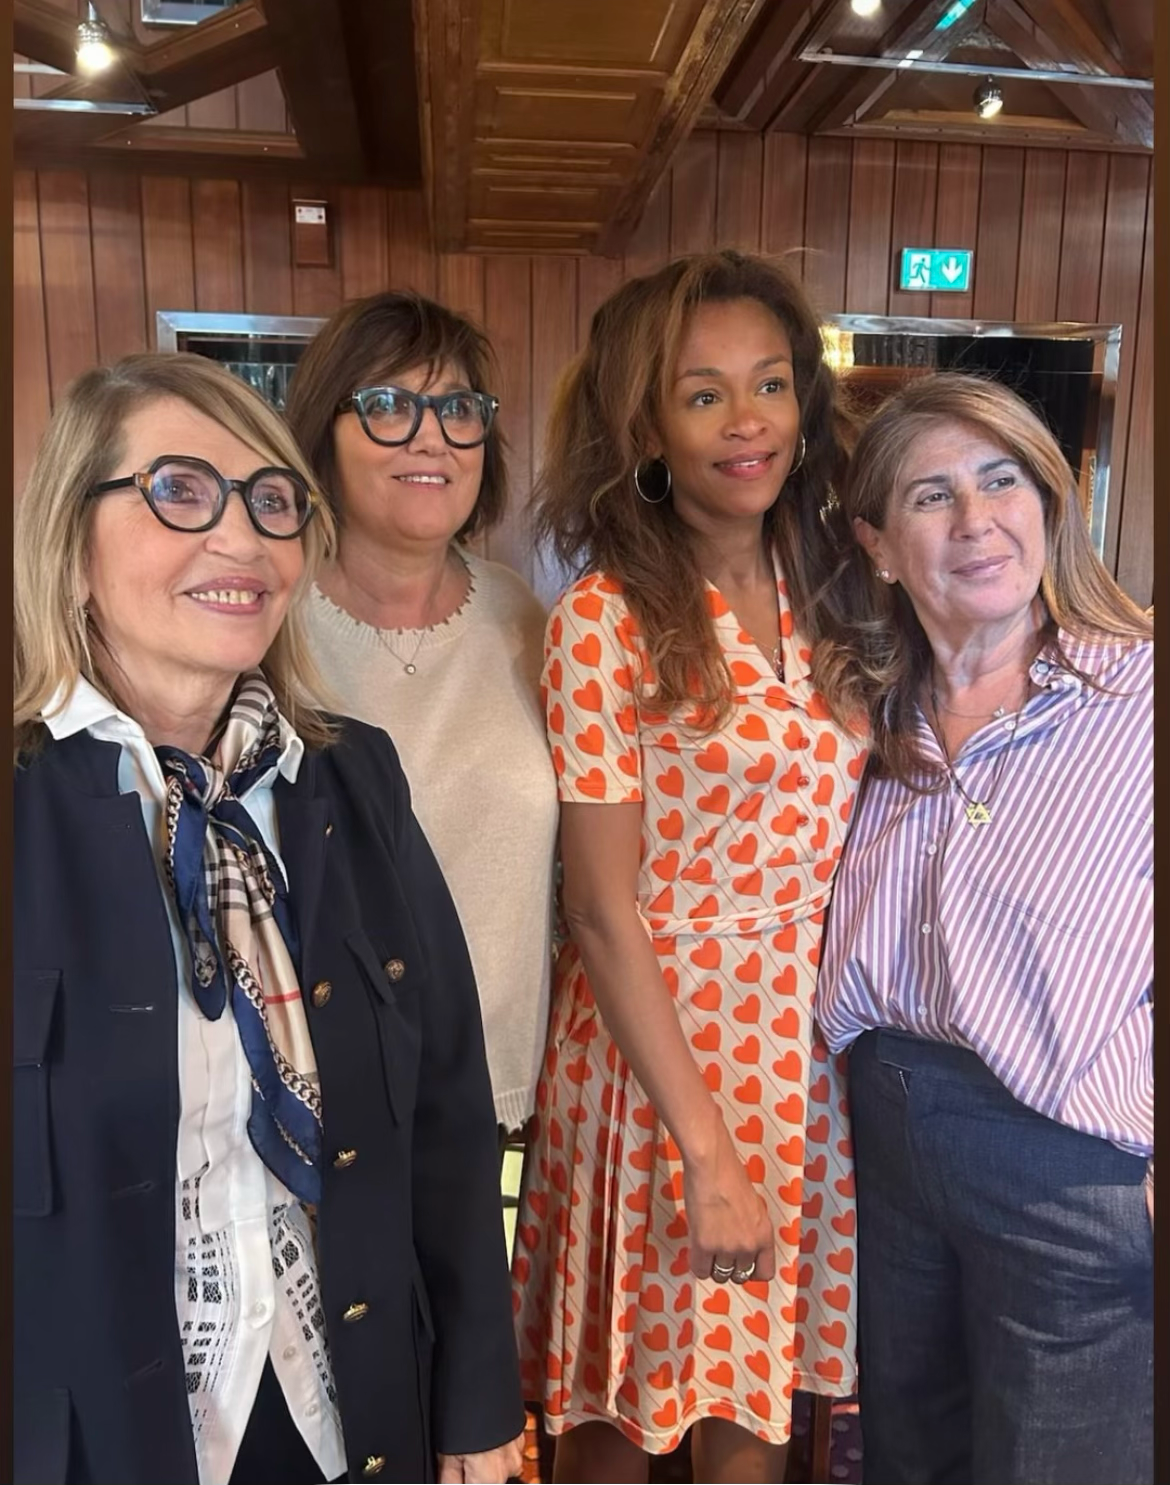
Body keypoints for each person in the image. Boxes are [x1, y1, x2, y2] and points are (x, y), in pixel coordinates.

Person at [13, 352, 525, 1485]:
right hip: (92, 1437)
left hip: (343, 1411)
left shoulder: (350, 781)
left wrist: (479, 1402)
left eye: (273, 501)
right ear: (72, 540)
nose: (241, 538)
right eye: (180, 491)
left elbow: (444, 1106)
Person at [511, 250, 870, 1484]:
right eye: (703, 394)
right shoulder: (605, 617)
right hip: (654, 1056)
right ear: (647, 428)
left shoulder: (833, 592)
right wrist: (705, 1151)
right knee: (624, 1410)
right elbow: (600, 910)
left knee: (751, 1413)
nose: (748, 420)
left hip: (800, 1055)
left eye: (769, 384)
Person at [817, 372, 1153, 1485]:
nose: (976, 520)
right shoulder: (861, 716)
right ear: (877, 544)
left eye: (1002, 481)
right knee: (908, 1455)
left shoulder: (1140, 693)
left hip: (1070, 1160)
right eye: (931, 496)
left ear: (1048, 502)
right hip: (887, 1131)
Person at [285, 291, 558, 1142]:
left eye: (457, 408)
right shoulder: (273, 625)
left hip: (501, 1091)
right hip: (318, 1101)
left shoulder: (523, 616)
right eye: (388, 404)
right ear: (322, 432)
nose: (431, 436)